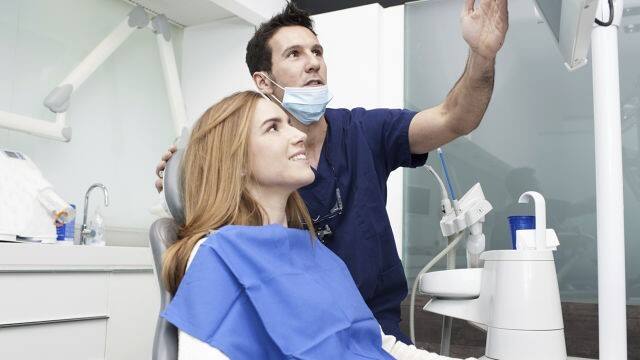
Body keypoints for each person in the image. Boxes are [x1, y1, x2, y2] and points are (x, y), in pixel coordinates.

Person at [157, 1, 508, 343]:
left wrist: (482, 56)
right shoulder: (250, 179)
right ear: (263, 82)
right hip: (300, 333)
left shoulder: (363, 131)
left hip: (372, 329)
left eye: (317, 51)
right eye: (294, 54)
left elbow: (455, 118)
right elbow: (211, 200)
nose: (313, 63)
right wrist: (185, 168)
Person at [161, 90, 475, 359]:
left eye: (288, 124)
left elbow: (379, 346)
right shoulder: (217, 256)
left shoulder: (316, 254)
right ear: (236, 162)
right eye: (273, 128)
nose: (298, 134)